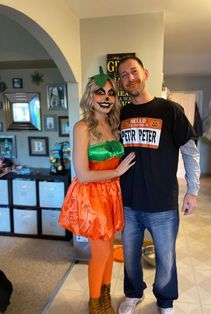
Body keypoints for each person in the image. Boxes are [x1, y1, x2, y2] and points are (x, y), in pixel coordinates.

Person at [117, 56, 200, 314]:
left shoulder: (170, 110)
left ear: (145, 73)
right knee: (130, 257)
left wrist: (193, 191)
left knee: (165, 259)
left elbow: (190, 151)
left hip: (162, 204)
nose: (130, 78)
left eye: (134, 71)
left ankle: (165, 302)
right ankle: (133, 294)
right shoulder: (121, 113)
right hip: (128, 202)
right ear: (121, 82)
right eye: (124, 75)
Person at [59, 66, 135, 314]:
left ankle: (105, 297)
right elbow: (82, 174)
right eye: (100, 92)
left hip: (112, 194)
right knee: (101, 254)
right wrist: (116, 172)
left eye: (111, 94)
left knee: (110, 250)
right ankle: (94, 303)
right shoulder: (82, 128)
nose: (106, 98)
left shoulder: (115, 125)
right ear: (90, 96)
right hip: (93, 198)